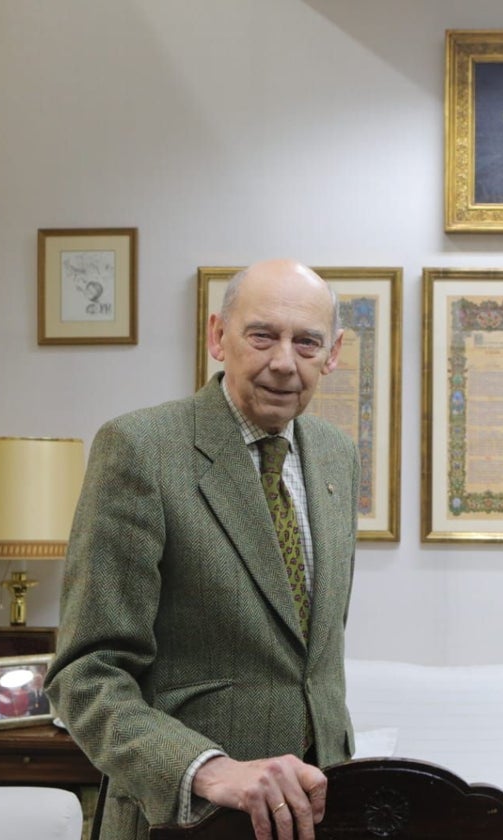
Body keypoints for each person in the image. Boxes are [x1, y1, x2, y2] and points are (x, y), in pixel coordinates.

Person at [46, 259, 360, 840]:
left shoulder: (338, 455)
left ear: (332, 353)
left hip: (318, 817)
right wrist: (211, 771)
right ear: (219, 336)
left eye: (307, 342)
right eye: (262, 335)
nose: (284, 362)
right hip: (182, 820)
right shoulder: (141, 450)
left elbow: (313, 664)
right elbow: (86, 675)